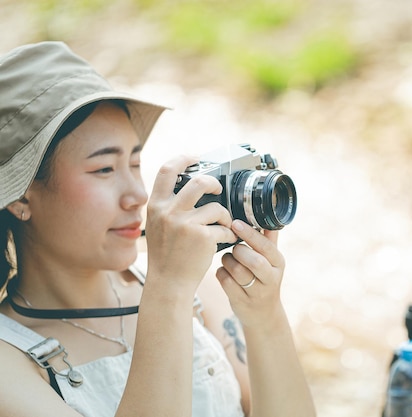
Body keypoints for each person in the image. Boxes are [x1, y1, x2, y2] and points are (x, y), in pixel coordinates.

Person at [0, 41, 316, 417]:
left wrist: (265, 317)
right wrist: (167, 291)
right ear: (20, 197)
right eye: (103, 169)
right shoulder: (10, 363)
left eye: (134, 163)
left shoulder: (202, 288)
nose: (138, 195)